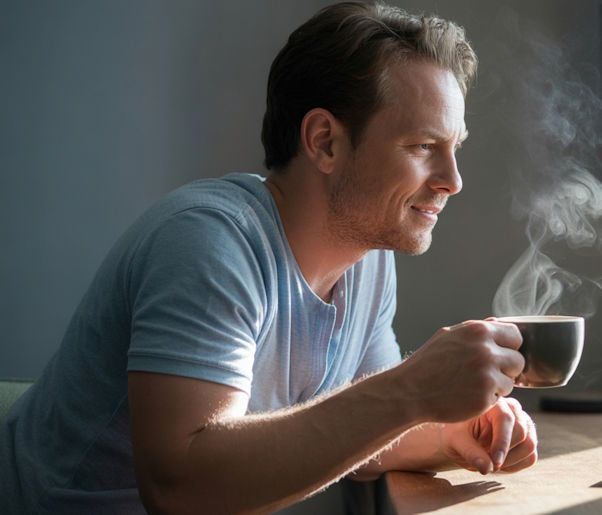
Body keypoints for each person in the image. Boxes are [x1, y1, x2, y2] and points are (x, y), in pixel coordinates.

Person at [0, 2, 538, 513]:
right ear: (324, 141)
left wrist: (450, 430)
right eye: (423, 146)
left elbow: (364, 437)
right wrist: (410, 391)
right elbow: (178, 489)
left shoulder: (369, 259)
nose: (453, 180)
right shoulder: (208, 243)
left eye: (454, 148)